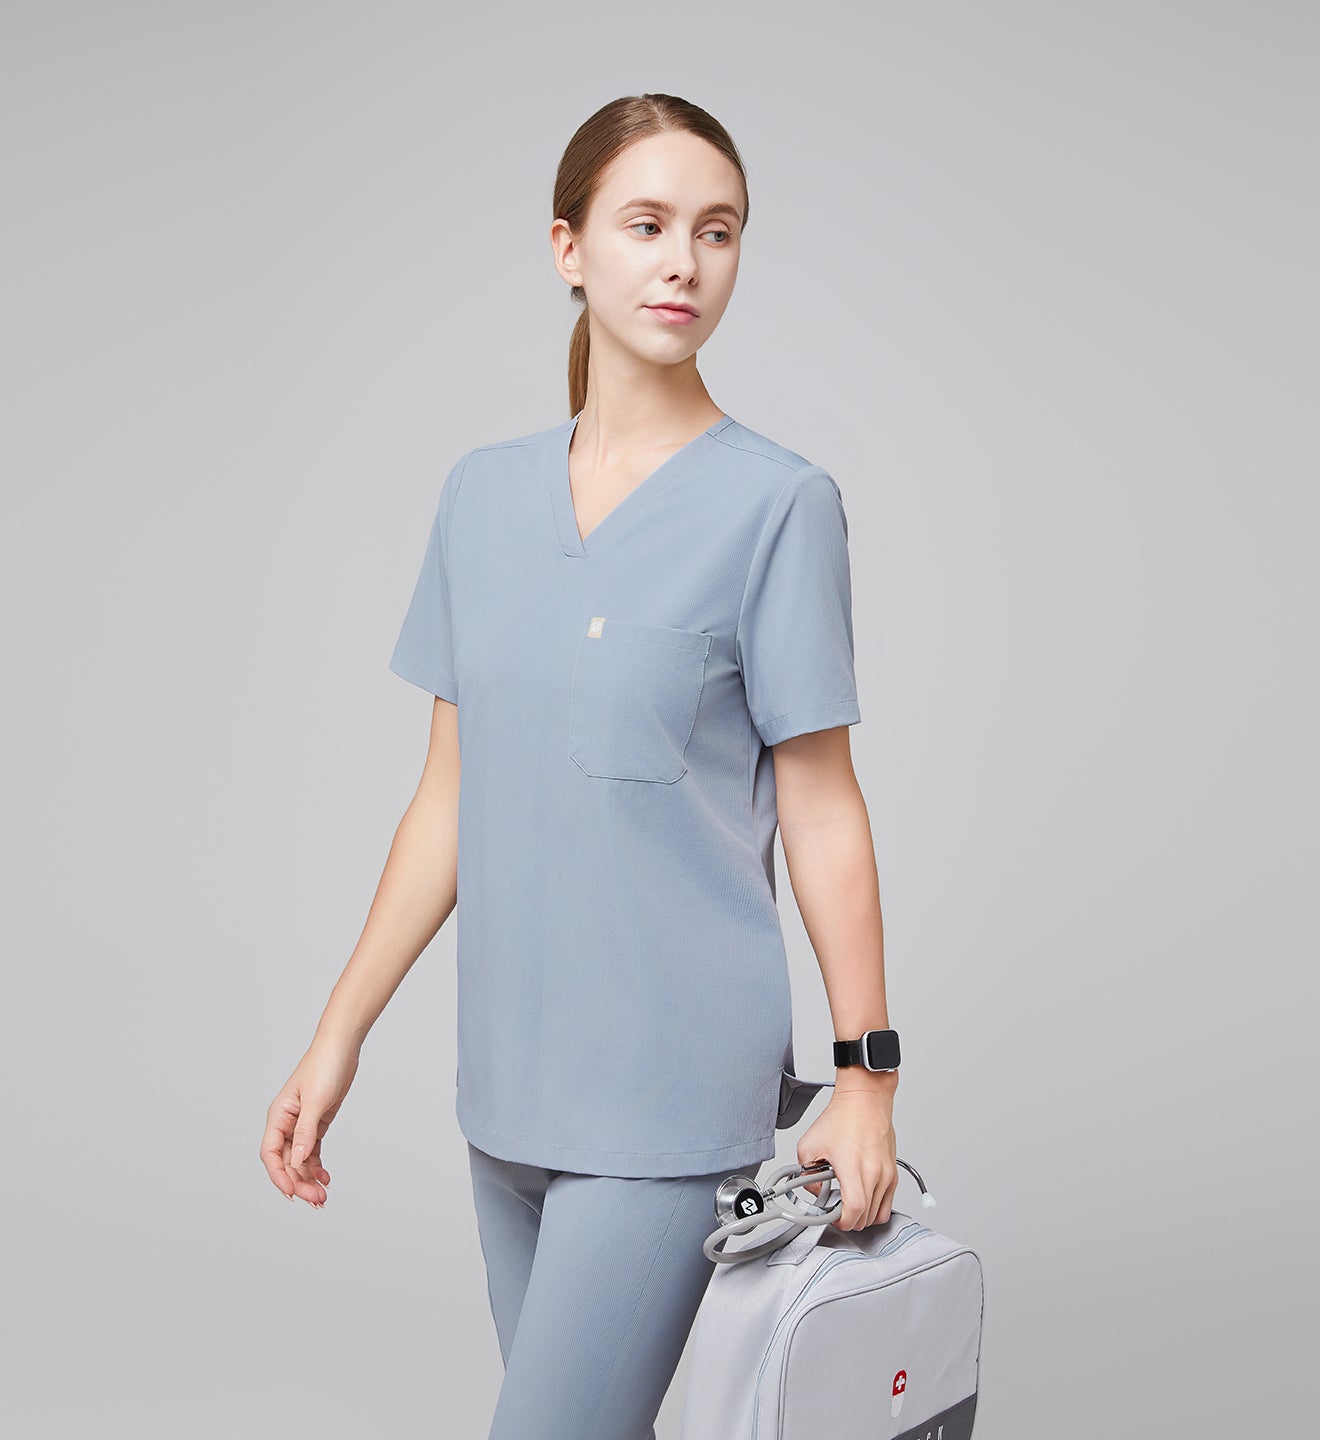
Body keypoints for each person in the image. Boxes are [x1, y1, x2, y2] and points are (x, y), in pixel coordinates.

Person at [260, 93, 900, 1440]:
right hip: (504, 1095)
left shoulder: (778, 506)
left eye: (716, 233)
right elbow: (448, 800)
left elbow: (824, 807)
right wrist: (337, 1037)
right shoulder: (481, 497)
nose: (685, 262)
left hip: (668, 1105)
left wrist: (865, 1078)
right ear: (569, 249)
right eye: (648, 225)